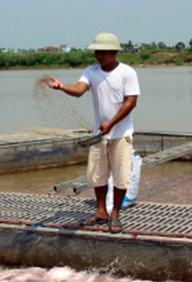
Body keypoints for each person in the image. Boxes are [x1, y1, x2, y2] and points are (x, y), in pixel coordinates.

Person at [47, 32, 140, 234]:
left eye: (103, 52)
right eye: (97, 52)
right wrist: (63, 87)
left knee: (122, 176)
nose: (99, 55)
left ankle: (115, 213)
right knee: (97, 175)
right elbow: (79, 90)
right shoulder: (91, 71)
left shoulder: (127, 72)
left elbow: (131, 102)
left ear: (114, 52)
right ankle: (101, 212)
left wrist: (112, 123)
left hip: (121, 133)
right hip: (100, 134)